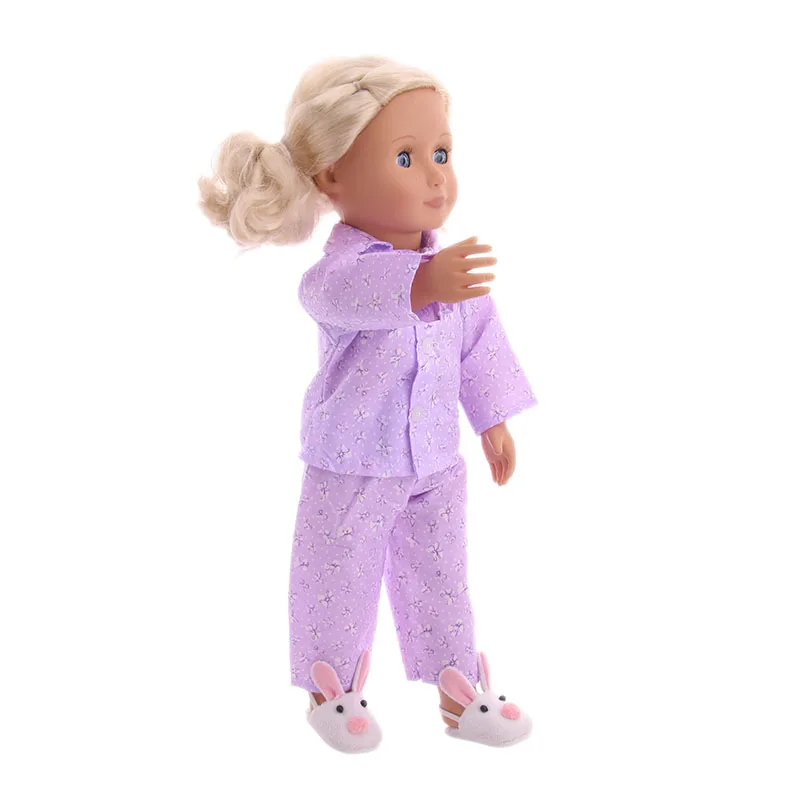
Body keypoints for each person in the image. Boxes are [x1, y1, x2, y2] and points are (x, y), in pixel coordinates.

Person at [198, 55, 538, 751]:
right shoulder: (341, 273)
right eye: (406, 158)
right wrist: (424, 284)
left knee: (442, 572)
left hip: (434, 458)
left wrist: (494, 421)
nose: (436, 176)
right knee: (337, 571)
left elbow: (479, 345)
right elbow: (343, 298)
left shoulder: (450, 273)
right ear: (331, 178)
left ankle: (457, 685)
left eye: (442, 153)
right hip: (352, 459)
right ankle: (332, 687)